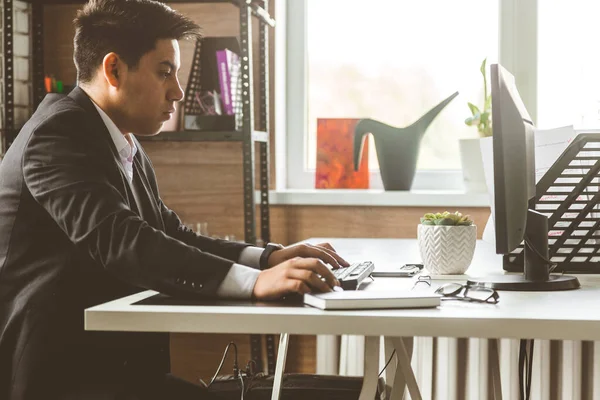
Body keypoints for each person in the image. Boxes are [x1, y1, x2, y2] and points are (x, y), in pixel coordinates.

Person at [0, 0, 348, 398]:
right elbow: (121, 239)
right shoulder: (57, 134)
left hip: (119, 372)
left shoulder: (121, 140)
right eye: (165, 72)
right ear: (113, 69)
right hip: (65, 379)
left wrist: (268, 258)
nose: (178, 91)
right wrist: (255, 283)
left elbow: (171, 233)